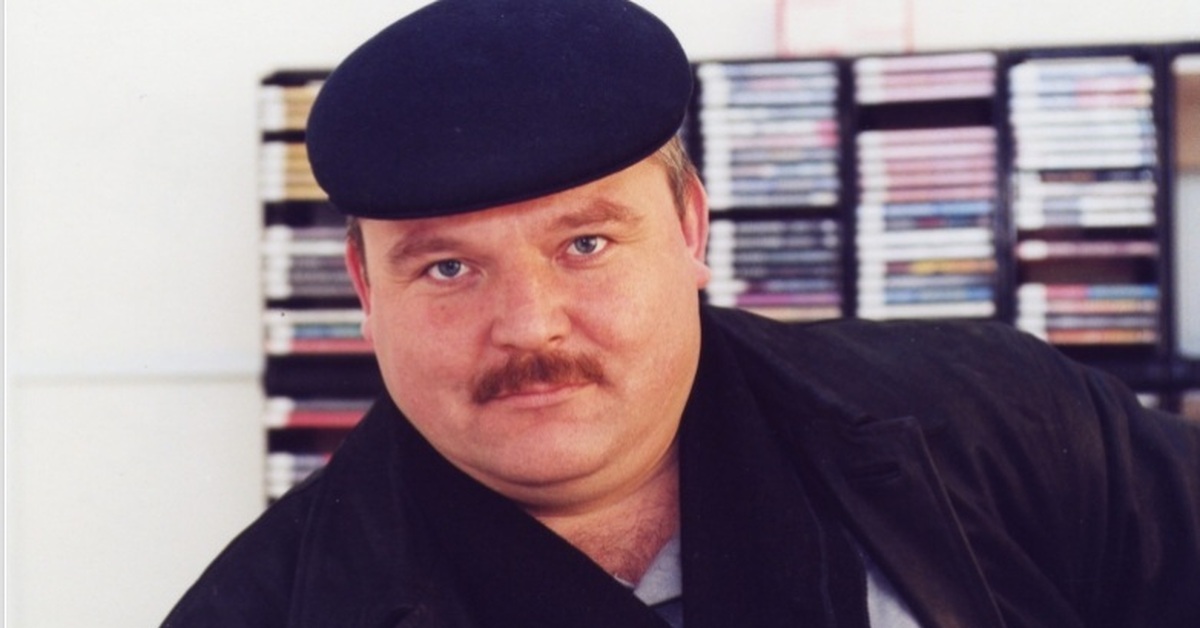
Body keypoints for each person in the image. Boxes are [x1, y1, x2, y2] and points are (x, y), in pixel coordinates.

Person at [163, 0, 1200, 626]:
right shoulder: (265, 610)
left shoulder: (1005, 422)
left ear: (691, 226)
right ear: (363, 290)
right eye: (446, 268)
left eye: (585, 244)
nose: (529, 324)